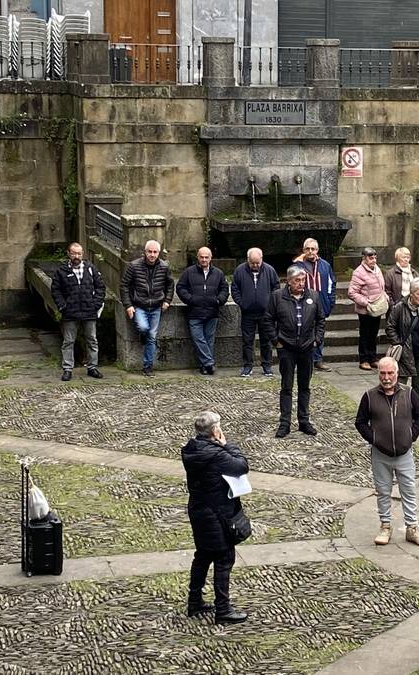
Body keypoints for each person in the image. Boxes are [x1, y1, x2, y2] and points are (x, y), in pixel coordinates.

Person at [181, 410, 249, 625]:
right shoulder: (217, 454)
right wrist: (227, 444)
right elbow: (241, 466)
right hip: (217, 514)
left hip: (199, 511)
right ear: (215, 430)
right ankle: (223, 608)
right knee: (223, 558)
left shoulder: (191, 450)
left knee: (202, 556)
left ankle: (195, 600)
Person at [355, 357, 419, 547]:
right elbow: (360, 422)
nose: (386, 377)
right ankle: (385, 525)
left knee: (409, 490)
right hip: (380, 454)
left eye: (390, 373)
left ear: (397, 373)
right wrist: (374, 439)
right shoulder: (369, 396)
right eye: (383, 373)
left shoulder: (409, 393)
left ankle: (412, 528)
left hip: (404, 453)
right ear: (378, 373)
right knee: (383, 491)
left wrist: (410, 436)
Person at [266, 266, 325, 438]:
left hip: (307, 347)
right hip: (286, 348)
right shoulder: (278, 297)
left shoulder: (313, 296)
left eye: (303, 280)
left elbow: (320, 320)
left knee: (304, 386)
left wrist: (317, 340)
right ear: (289, 282)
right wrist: (276, 341)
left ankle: (304, 420)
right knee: (286, 386)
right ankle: (285, 423)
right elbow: (268, 319)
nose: (301, 284)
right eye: (297, 281)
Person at [52, 242, 106, 381]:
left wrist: (96, 304)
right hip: (70, 312)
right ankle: (67, 369)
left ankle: (92, 367)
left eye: (79, 253)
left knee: (92, 340)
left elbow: (100, 287)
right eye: (74, 253)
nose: (77, 256)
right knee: (68, 341)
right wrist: (63, 306)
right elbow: (55, 290)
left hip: (89, 311)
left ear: (82, 254)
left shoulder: (90, 269)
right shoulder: (61, 271)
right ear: (69, 254)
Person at [120, 239, 173, 376]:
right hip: (140, 305)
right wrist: (128, 305)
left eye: (155, 252)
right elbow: (124, 285)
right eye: (150, 252)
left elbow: (170, 284)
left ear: (159, 253)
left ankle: (148, 366)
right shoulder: (134, 266)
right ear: (145, 252)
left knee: (152, 336)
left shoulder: (164, 266)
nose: (152, 255)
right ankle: (142, 334)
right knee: (144, 328)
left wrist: (167, 300)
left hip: (156, 306)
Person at [176, 246, 230, 375]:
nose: (204, 259)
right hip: (195, 312)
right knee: (198, 339)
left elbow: (224, 289)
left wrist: (218, 300)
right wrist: (190, 299)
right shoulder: (189, 272)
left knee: (209, 340)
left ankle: (205, 366)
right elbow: (180, 287)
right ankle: (209, 363)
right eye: (202, 257)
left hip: (212, 312)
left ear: (211, 258)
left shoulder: (218, 273)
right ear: (198, 258)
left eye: (206, 257)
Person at [385, 278, 419, 396]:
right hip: (404, 354)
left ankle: (414, 410)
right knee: (400, 386)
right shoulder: (399, 308)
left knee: (418, 386)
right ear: (411, 294)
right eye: (418, 294)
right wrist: (397, 343)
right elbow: (390, 327)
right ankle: (399, 410)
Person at [231, 247, 279, 378]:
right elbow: (234, 288)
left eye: (258, 263)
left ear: (262, 259)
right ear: (248, 260)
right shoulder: (240, 271)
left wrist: (271, 304)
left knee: (266, 341)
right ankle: (247, 366)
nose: (255, 265)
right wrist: (242, 303)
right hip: (248, 313)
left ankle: (267, 365)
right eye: (253, 263)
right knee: (247, 341)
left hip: (266, 313)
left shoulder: (269, 270)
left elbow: (276, 287)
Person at [294, 238, 337, 372]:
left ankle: (318, 360)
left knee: (319, 333)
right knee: (303, 332)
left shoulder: (325, 265)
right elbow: (292, 281)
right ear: (304, 251)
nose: (310, 251)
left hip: (322, 303)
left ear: (317, 250)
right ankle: (303, 360)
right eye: (307, 249)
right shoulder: (298, 266)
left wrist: (330, 302)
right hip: (304, 304)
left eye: (313, 249)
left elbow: (332, 284)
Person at [348, 247, 388, 371]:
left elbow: (381, 287)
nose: (374, 260)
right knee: (365, 334)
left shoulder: (377, 270)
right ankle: (364, 359)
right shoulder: (358, 272)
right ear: (364, 258)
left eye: (375, 257)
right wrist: (366, 302)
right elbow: (352, 292)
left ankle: (372, 357)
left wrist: (384, 297)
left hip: (377, 308)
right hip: (365, 310)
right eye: (371, 258)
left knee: (374, 333)